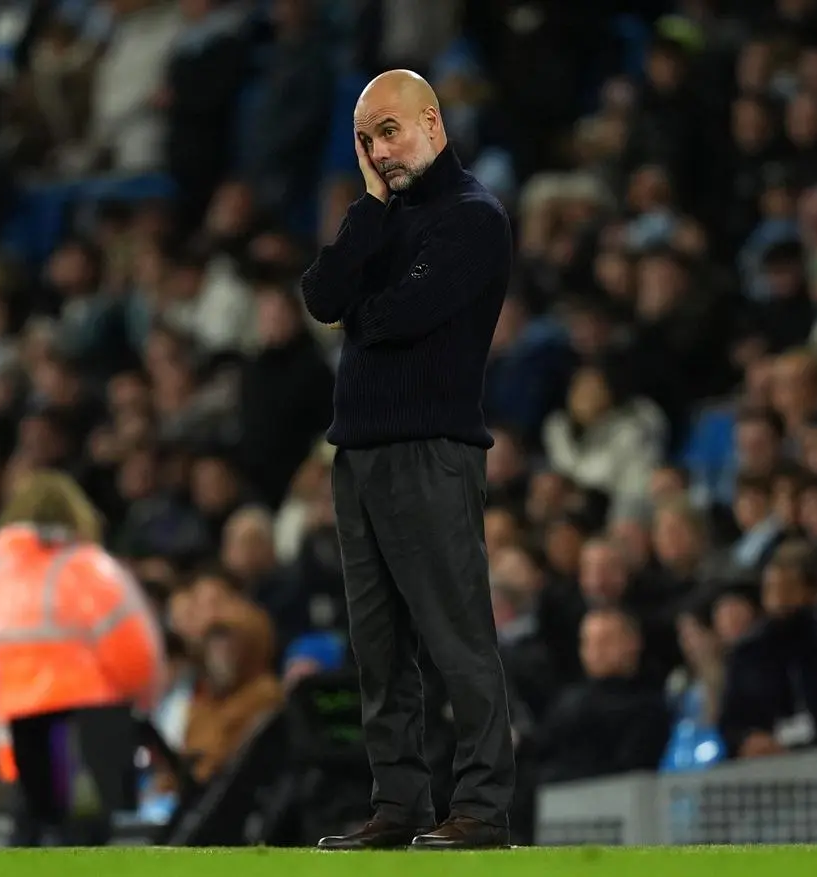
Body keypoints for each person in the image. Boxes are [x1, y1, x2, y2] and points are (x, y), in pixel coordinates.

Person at [300, 70, 515, 850]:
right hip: (358, 455)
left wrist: (364, 297)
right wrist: (371, 209)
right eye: (366, 139)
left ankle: (483, 808)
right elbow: (324, 297)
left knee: (456, 635)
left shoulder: (473, 218)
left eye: (389, 131)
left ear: (433, 122)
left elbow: (394, 317)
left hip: (432, 450)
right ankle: (399, 804)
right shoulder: (384, 216)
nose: (379, 150)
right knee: (379, 646)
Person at [0, 470, 165, 846]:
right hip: (88, 733)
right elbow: (139, 658)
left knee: (30, 839)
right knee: (83, 844)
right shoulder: (93, 571)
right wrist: (140, 707)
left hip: (22, 735)